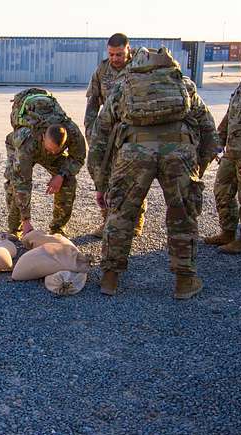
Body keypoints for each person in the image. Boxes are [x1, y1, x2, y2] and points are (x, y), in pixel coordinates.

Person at [89, 47, 215, 299]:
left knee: (122, 214)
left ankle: (110, 279)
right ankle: (184, 281)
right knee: (182, 214)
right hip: (179, 152)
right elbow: (208, 129)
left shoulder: (124, 85)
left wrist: (100, 181)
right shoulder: (183, 83)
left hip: (134, 152)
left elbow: (101, 132)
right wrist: (198, 166)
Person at [85, 33, 146, 238]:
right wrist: (90, 131)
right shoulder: (102, 70)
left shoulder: (140, 67)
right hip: (107, 132)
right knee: (103, 175)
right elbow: (93, 102)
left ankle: (136, 220)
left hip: (132, 132)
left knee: (134, 177)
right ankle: (108, 220)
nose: (115, 58)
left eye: (119, 54)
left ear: (128, 49)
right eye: (111, 54)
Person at [5, 108, 86, 238]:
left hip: (45, 148)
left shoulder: (73, 133)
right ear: (43, 137)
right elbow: (22, 183)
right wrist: (26, 220)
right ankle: (16, 228)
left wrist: (61, 175)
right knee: (15, 183)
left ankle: (58, 228)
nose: (52, 153)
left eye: (56, 150)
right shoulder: (27, 141)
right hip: (21, 147)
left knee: (68, 181)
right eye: (50, 149)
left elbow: (78, 158)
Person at [204, 78, 241, 253]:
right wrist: (216, 145)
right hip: (232, 153)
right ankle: (228, 232)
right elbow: (229, 118)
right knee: (222, 191)